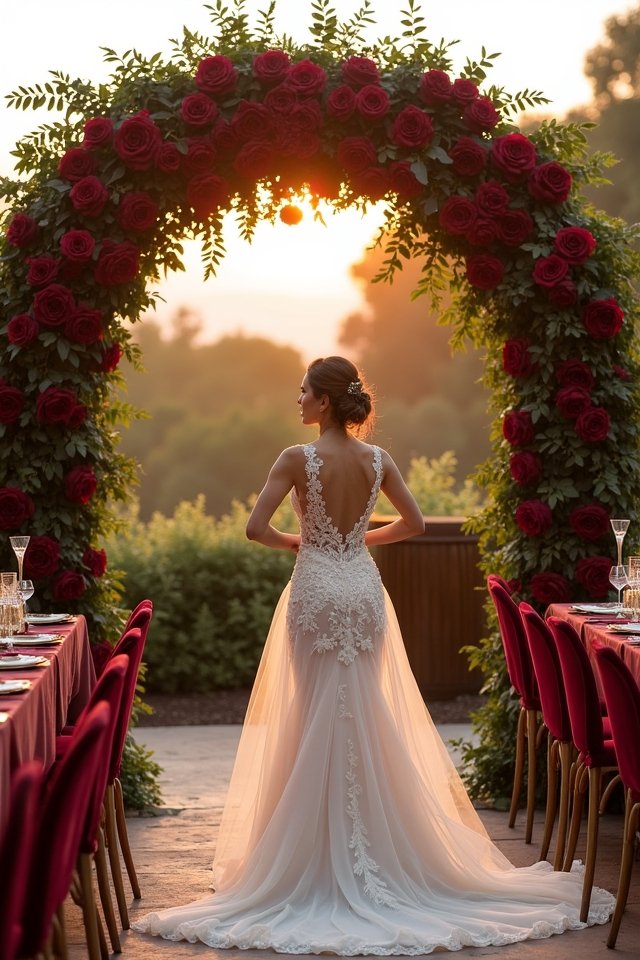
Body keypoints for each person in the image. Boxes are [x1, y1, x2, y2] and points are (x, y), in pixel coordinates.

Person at [133, 356, 614, 953]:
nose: (298, 400)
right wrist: (361, 539)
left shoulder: (294, 458)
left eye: (304, 391)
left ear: (326, 402)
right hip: (361, 589)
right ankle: (389, 853)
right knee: (365, 710)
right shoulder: (376, 460)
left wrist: (298, 541)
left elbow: (255, 529)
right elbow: (411, 523)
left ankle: (309, 858)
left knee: (311, 715)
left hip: (315, 590)